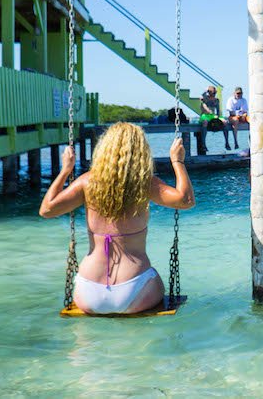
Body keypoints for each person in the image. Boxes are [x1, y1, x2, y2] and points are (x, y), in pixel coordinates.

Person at [38, 123, 195, 314]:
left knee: (84, 341)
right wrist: (177, 162)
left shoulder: (87, 182)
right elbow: (185, 200)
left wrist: (65, 170)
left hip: (88, 291)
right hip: (135, 290)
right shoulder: (145, 184)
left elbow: (46, 210)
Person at [197, 85, 223, 155]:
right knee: (205, 122)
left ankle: (227, 142)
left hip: (212, 116)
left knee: (224, 122)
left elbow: (218, 111)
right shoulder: (205, 98)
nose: (214, 94)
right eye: (212, 93)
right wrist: (206, 90)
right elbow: (201, 96)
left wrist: (219, 117)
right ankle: (203, 143)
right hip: (204, 116)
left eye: (215, 93)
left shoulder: (216, 100)